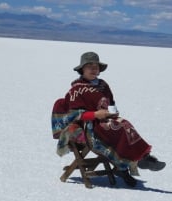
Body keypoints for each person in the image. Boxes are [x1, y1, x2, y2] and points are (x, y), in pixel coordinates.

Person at [53, 52, 165, 187]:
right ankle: (127, 167)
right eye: (90, 66)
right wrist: (96, 114)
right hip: (90, 126)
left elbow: (111, 102)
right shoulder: (76, 90)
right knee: (116, 128)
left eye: (96, 67)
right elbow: (74, 114)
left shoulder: (103, 85)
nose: (94, 70)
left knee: (124, 124)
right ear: (82, 69)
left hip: (106, 119)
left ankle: (142, 158)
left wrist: (113, 111)